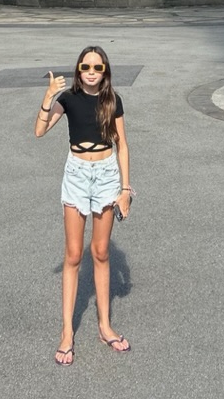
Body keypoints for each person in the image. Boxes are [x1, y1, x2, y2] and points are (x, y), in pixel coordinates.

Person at [35, 46, 133, 364]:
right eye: (86, 66)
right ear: (78, 69)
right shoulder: (68, 99)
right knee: (74, 254)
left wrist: (125, 189)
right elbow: (39, 131)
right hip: (76, 174)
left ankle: (105, 326)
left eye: (97, 67)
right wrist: (49, 96)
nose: (91, 72)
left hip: (106, 175)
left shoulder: (113, 100)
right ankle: (67, 332)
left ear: (105, 71)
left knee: (101, 252)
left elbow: (122, 145)